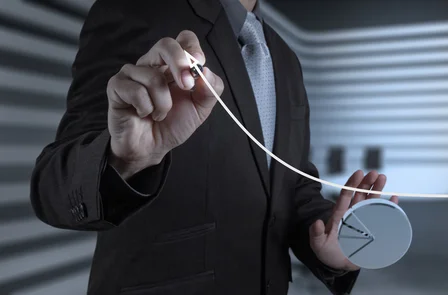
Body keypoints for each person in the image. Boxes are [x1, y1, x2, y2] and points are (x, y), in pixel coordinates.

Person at [29, 0, 399, 294]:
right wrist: (125, 159)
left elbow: (291, 186)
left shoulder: (285, 58)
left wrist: (329, 243)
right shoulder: (134, 9)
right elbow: (53, 188)